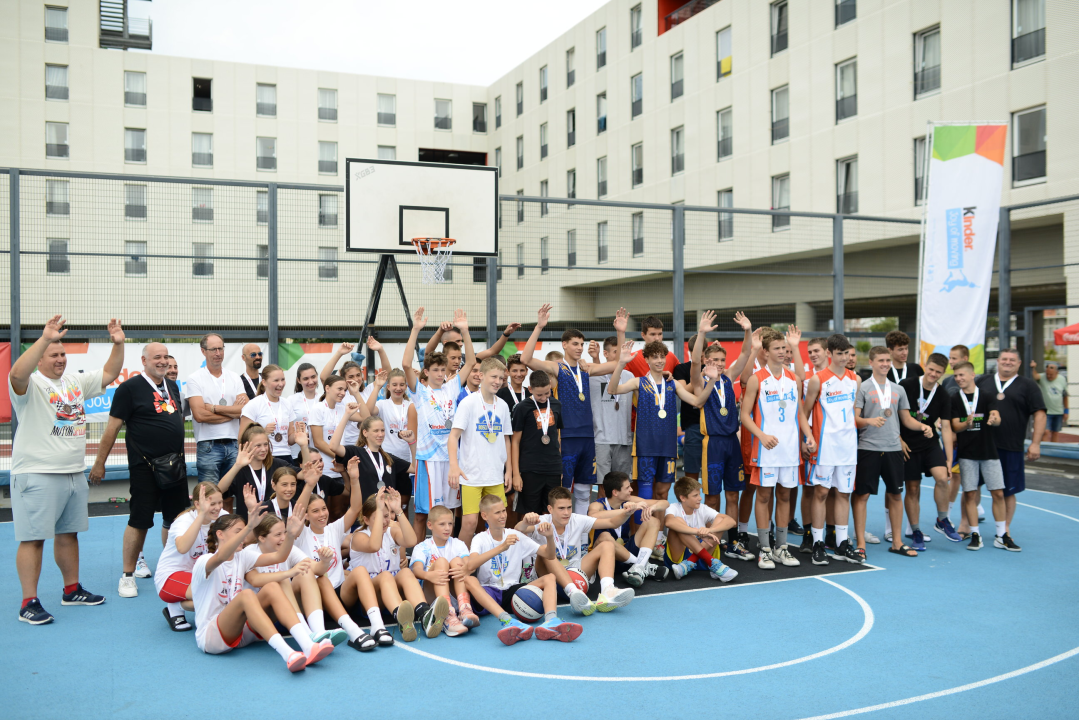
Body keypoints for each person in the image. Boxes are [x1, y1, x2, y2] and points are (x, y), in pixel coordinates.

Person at [9, 315, 124, 624]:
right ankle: (28, 602)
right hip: (37, 473)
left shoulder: (74, 382)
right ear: (41, 358)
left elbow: (111, 372)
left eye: (62, 354)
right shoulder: (30, 385)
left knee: (68, 533)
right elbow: (17, 372)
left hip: (73, 473)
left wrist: (118, 343)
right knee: (33, 538)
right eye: (53, 355)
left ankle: (71, 590)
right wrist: (44, 339)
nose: (60, 359)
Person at [90, 342, 187, 599]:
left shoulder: (173, 386)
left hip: (174, 466)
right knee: (140, 520)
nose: (163, 361)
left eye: (166, 357)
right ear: (143, 361)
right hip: (144, 467)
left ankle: (172, 568)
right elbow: (111, 430)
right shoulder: (129, 389)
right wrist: (100, 464)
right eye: (157, 357)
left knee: (177, 520)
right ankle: (128, 575)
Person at [521, 305, 628, 513]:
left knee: (583, 490)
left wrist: (620, 332)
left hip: (588, 437)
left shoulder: (587, 369)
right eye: (575, 344)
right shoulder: (557, 367)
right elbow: (526, 360)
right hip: (566, 436)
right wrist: (539, 327)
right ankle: (562, 536)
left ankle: (579, 542)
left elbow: (617, 363)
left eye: (581, 344)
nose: (580, 348)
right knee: (563, 490)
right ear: (564, 345)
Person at [189, 487, 308, 671]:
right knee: (246, 595)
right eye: (238, 532)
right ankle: (288, 653)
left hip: (243, 630)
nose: (243, 538)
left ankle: (307, 644)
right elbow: (220, 557)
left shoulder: (242, 557)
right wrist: (249, 527)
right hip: (213, 638)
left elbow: (279, 557)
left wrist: (290, 535)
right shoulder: (204, 562)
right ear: (220, 534)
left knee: (271, 587)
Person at [740, 328, 816, 570]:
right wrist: (761, 435)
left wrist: (809, 436)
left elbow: (800, 414)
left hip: (791, 450)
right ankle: (764, 548)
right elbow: (744, 415)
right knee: (763, 496)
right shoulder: (756, 379)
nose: (783, 352)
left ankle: (781, 548)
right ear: (766, 351)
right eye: (777, 348)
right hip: (766, 450)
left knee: (784, 496)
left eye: (785, 348)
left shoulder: (794, 378)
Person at [294, 457, 387, 651]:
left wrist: (354, 479)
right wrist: (309, 485)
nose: (322, 514)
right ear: (307, 515)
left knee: (359, 571)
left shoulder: (333, 529)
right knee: (321, 579)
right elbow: (297, 514)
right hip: (314, 601)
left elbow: (354, 508)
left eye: (324, 509)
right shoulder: (301, 534)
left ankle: (377, 627)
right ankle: (353, 631)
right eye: (315, 511)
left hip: (340, 594)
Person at [851, 346, 934, 559]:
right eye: (881, 360)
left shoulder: (898, 389)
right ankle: (860, 543)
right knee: (862, 496)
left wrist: (923, 426)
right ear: (871, 362)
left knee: (896, 495)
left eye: (887, 360)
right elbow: (855, 419)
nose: (885, 364)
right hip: (868, 448)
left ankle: (897, 542)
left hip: (893, 449)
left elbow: (906, 419)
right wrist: (869, 421)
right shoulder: (863, 388)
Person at [466, 495, 583, 645]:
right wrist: (501, 547)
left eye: (504, 511)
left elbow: (549, 554)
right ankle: (507, 621)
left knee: (550, 578)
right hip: (489, 592)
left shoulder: (515, 535)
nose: (503, 516)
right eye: (497, 513)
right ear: (484, 516)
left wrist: (549, 537)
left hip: (513, 592)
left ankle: (551, 622)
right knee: (470, 579)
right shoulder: (480, 538)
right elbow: (470, 565)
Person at [403, 307, 476, 538]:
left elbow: (472, 361)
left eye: (442, 370)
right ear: (426, 371)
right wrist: (415, 330)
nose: (439, 373)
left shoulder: (452, 386)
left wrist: (464, 330)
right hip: (428, 459)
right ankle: (416, 559)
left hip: (450, 459)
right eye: (435, 370)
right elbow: (406, 364)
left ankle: (449, 554)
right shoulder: (420, 392)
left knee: (451, 512)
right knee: (424, 514)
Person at [608, 338, 706, 508]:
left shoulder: (672, 384)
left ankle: (659, 535)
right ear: (646, 359)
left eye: (662, 356)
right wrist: (621, 363)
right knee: (645, 494)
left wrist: (708, 380)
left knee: (662, 493)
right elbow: (612, 390)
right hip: (645, 447)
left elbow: (697, 402)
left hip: (667, 448)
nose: (659, 360)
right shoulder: (638, 382)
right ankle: (643, 533)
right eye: (655, 357)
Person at [242, 511, 341, 665]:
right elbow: (255, 581)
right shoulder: (249, 553)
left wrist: (325, 561)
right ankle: (307, 635)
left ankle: (317, 632)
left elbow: (317, 569)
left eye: (285, 533)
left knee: (305, 571)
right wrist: (288, 573)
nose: (283, 538)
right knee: (280, 581)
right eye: (278, 534)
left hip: (287, 614)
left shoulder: (288, 548)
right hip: (261, 615)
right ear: (261, 538)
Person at [519, 486, 638, 614]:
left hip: (575, 571)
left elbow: (611, 523)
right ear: (550, 509)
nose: (566, 512)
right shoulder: (541, 521)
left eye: (569, 507)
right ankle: (573, 592)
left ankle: (607, 591)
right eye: (561, 508)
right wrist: (526, 522)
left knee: (607, 544)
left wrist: (627, 513)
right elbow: (518, 530)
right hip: (548, 574)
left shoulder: (577, 519)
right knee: (545, 550)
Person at [976, 348, 1046, 549]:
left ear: (1019, 363)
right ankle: (968, 526)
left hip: (1011, 447)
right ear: (997, 361)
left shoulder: (1028, 386)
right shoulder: (983, 381)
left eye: (1012, 360)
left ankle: (1004, 531)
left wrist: (1035, 443)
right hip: (981, 445)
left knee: (1007, 491)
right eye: (1004, 359)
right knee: (973, 488)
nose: (1007, 362)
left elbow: (1040, 414)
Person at [801, 334, 862, 565]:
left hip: (848, 447)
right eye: (840, 354)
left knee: (844, 493)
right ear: (830, 354)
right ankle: (818, 544)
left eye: (847, 353)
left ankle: (842, 543)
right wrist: (805, 440)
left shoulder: (854, 379)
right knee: (821, 493)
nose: (845, 358)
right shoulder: (817, 380)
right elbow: (804, 413)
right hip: (824, 447)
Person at [450, 357, 514, 547]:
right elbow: (453, 437)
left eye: (501, 378)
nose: (497, 381)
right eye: (493, 376)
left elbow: (506, 438)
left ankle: (494, 569)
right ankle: (460, 566)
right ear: (481, 375)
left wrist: (508, 470)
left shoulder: (502, 405)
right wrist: (454, 465)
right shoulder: (468, 403)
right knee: (469, 523)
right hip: (471, 475)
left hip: (495, 475)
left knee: (498, 522)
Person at [898, 353, 959, 548]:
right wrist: (898, 439)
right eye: (931, 369)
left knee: (942, 477)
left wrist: (949, 460)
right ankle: (915, 531)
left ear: (943, 373)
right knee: (913, 488)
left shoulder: (943, 394)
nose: (933, 374)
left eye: (938, 372)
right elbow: (895, 417)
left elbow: (947, 428)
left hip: (930, 442)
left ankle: (942, 519)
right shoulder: (906, 385)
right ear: (926, 365)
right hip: (908, 444)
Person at [350, 488, 426, 642]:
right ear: (366, 520)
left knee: (405, 573)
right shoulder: (359, 536)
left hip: (392, 593)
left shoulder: (392, 531)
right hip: (370, 597)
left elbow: (411, 541)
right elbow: (374, 546)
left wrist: (398, 511)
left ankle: (425, 613)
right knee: (385, 576)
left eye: (386, 516)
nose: (385, 521)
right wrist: (380, 511)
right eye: (378, 517)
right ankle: (402, 618)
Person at [950, 362, 1006, 551]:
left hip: (989, 452)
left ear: (972, 375)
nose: (958, 379)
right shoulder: (955, 398)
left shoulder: (987, 395)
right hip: (967, 454)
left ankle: (1001, 534)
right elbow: (955, 425)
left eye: (962, 375)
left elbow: (996, 416)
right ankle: (975, 534)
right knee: (970, 494)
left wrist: (994, 419)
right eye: (956, 375)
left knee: (998, 492)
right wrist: (967, 422)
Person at [154, 482, 225, 631]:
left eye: (220, 502)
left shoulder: (223, 517)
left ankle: (178, 605)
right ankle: (175, 605)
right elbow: (182, 547)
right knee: (214, 596)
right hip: (170, 577)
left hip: (201, 575)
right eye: (212, 504)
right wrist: (201, 516)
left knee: (224, 595)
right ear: (198, 504)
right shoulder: (183, 521)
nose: (218, 507)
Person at [185, 333, 248, 490]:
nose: (218, 353)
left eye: (220, 348)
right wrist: (232, 413)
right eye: (213, 349)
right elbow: (200, 415)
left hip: (233, 444)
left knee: (230, 494)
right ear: (203, 351)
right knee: (209, 494)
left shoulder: (234, 377)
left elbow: (244, 410)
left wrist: (214, 408)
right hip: (208, 445)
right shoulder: (195, 378)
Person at [589, 471, 670, 584]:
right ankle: (641, 564)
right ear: (615, 492)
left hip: (626, 552)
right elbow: (592, 516)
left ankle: (638, 567)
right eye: (627, 488)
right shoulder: (598, 504)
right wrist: (627, 511)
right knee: (605, 537)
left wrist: (653, 508)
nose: (631, 490)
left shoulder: (629, 500)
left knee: (653, 521)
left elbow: (665, 503)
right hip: (605, 558)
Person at [308, 375, 367, 515]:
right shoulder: (318, 409)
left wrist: (356, 393)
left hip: (340, 469)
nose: (343, 392)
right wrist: (341, 456)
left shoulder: (342, 409)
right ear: (327, 388)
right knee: (323, 513)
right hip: (323, 469)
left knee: (339, 512)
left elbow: (366, 418)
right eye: (339, 388)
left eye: (345, 390)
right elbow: (318, 442)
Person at [408, 505, 469, 638]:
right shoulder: (422, 547)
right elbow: (416, 571)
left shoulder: (458, 544)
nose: (447, 528)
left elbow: (468, 566)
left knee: (458, 561)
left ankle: (464, 608)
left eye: (450, 524)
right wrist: (429, 575)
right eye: (442, 524)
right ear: (430, 525)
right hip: (431, 596)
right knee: (441, 562)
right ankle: (446, 614)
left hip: (454, 590)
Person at [663, 477, 739, 581]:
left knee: (720, 520)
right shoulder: (673, 507)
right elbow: (669, 522)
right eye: (695, 495)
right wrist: (698, 532)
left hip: (701, 556)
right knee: (677, 522)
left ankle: (690, 563)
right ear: (683, 498)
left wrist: (710, 530)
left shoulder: (702, 508)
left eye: (699, 494)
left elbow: (731, 521)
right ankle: (714, 564)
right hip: (678, 557)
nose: (700, 498)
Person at [511, 370, 564, 516]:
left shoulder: (556, 404)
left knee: (551, 511)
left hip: (553, 467)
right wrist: (516, 473)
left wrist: (559, 466)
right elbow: (515, 442)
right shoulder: (523, 408)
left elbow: (556, 437)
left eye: (547, 393)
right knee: (529, 513)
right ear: (530, 389)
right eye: (539, 394)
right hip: (530, 468)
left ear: (551, 386)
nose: (543, 398)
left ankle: (548, 539)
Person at [217, 426, 295, 521]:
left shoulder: (278, 464)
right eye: (258, 446)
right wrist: (237, 465)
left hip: (272, 527)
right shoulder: (240, 469)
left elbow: (305, 475)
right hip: (247, 525)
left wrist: (303, 446)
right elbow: (218, 491)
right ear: (246, 446)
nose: (263, 449)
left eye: (265, 444)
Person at [365, 369, 418, 504]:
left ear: (406, 386)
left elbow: (414, 433)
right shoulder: (382, 404)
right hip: (386, 460)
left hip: (406, 462)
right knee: (385, 503)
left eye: (401, 385)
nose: (398, 388)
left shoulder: (411, 405)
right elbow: (368, 412)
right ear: (388, 387)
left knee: (404, 503)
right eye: (394, 385)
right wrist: (377, 386)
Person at [331, 413, 410, 501]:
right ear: (365, 432)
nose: (380, 434)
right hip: (365, 511)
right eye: (376, 431)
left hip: (387, 512)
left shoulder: (388, 458)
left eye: (382, 430)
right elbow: (334, 446)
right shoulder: (356, 453)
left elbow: (414, 468)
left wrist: (412, 443)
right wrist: (346, 415)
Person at [590, 337, 635, 483]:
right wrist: (594, 358)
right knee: (603, 485)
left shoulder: (630, 377)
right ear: (606, 354)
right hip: (601, 439)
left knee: (622, 486)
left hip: (624, 439)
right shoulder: (593, 377)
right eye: (616, 351)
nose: (620, 355)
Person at [240, 364, 296, 465]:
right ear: (264, 382)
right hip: (264, 457)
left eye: (282, 379)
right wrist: (263, 432)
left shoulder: (287, 403)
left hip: (286, 456)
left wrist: (298, 436)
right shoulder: (254, 404)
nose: (281, 384)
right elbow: (242, 439)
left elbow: (290, 439)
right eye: (276, 380)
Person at [425, 320, 521, 366]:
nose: (461, 344)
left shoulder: (466, 358)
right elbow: (428, 352)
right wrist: (440, 331)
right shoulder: (438, 359)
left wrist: (506, 334)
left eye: (461, 340)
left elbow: (493, 351)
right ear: (446, 343)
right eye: (457, 341)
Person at [286, 362, 320, 468]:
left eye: (313, 377)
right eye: (306, 379)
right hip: (297, 455)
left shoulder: (323, 400)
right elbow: (288, 433)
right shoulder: (291, 400)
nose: (310, 381)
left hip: (319, 455)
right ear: (298, 380)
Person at [1031, 361, 1068, 442]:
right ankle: (1044, 450)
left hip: (1058, 411)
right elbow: (1035, 376)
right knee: (1045, 432)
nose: (1049, 376)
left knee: (1055, 432)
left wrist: (1066, 411)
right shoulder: (1042, 377)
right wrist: (1033, 368)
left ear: (1056, 372)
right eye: (1047, 374)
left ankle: (1054, 450)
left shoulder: (1062, 379)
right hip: (1046, 411)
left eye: (1051, 375)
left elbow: (1065, 395)